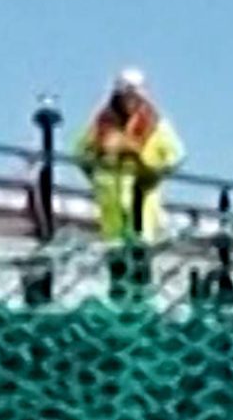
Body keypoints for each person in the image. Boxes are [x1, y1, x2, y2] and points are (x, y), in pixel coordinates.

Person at [75, 67, 185, 289]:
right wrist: (99, 170)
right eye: (126, 96)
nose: (130, 101)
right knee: (117, 272)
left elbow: (176, 156)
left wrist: (146, 164)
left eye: (134, 96)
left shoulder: (155, 125)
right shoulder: (101, 125)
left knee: (139, 269)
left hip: (141, 203)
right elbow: (80, 153)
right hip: (113, 213)